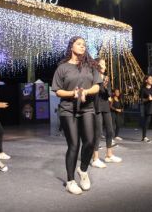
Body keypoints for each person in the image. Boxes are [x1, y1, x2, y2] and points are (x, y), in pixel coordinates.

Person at [52, 36, 101, 195]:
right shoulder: (62, 67)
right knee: (74, 144)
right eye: (79, 44)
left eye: (84, 45)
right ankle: (70, 181)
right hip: (68, 109)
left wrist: (85, 91)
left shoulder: (91, 66)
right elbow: (57, 90)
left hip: (87, 108)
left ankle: (83, 170)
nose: (82, 46)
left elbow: (97, 87)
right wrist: (73, 93)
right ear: (71, 46)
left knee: (89, 142)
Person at [92, 58, 122, 169]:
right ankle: (95, 158)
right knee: (98, 131)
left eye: (105, 64)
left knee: (110, 130)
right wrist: (101, 85)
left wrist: (105, 87)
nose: (105, 66)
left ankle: (109, 155)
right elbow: (94, 92)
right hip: (96, 106)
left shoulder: (106, 78)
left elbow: (108, 93)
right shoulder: (93, 77)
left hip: (105, 106)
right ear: (97, 66)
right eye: (103, 64)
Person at [140, 75, 152, 143]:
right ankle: (144, 137)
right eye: (150, 79)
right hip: (148, 108)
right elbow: (142, 100)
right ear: (146, 80)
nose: (151, 80)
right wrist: (147, 99)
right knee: (147, 122)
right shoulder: (143, 89)